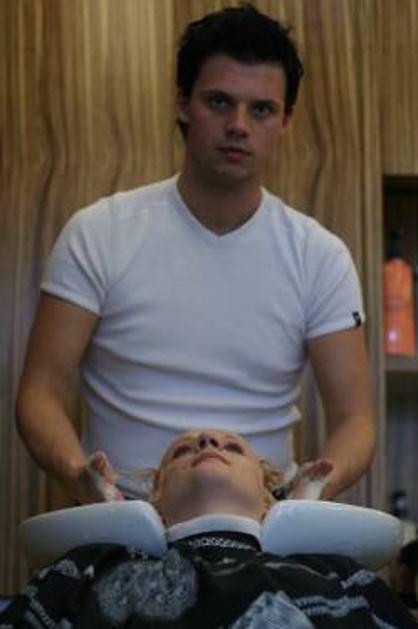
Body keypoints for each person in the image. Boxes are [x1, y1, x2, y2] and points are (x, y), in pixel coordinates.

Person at [16, 4, 375, 507]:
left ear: (285, 121)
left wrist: (308, 494)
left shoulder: (320, 256)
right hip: (122, 518)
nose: (238, 125)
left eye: (261, 109)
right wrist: (83, 480)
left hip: (264, 527)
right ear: (184, 103)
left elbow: (355, 420)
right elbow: (40, 393)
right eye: (219, 102)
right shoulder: (98, 232)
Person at [0, 430, 415, 628]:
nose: (207, 444)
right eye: (183, 451)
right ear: (156, 497)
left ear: (267, 496)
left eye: (233, 447)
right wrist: (111, 518)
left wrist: (304, 510)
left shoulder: (335, 575)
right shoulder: (91, 569)